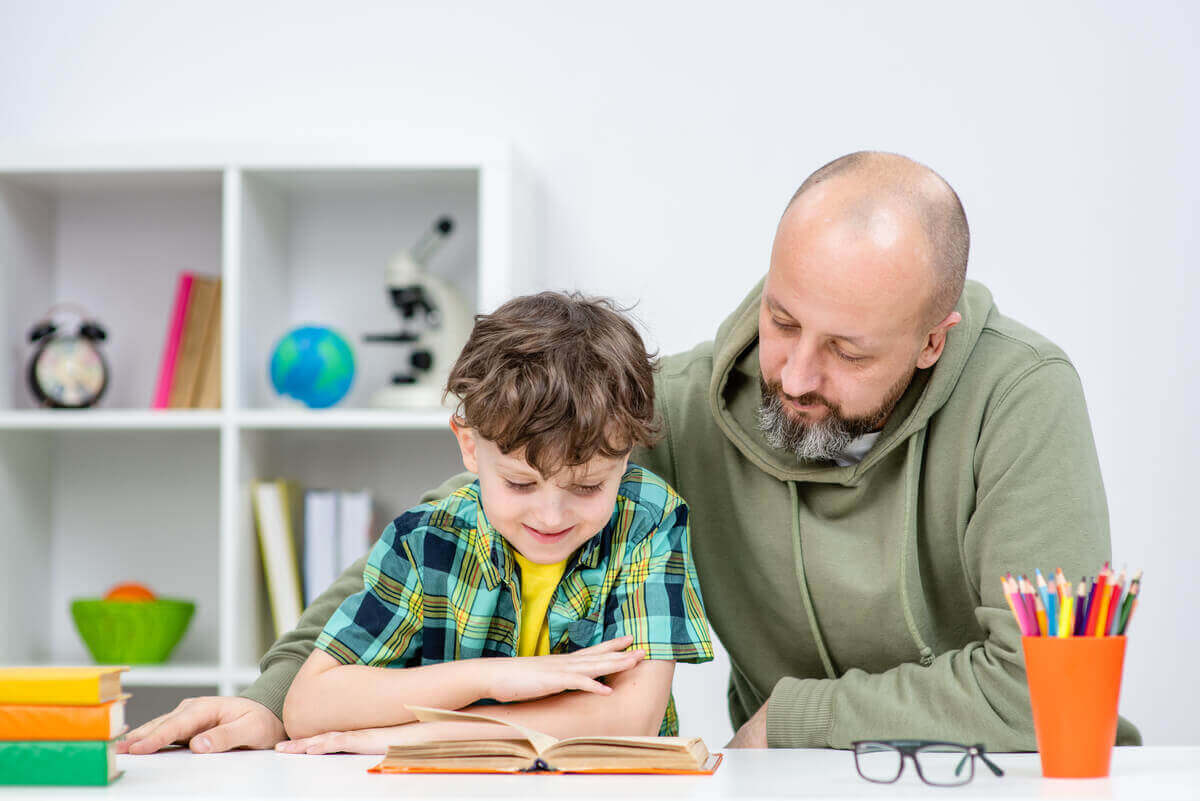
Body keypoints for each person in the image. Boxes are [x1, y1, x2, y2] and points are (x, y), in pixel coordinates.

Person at [120, 151, 1138, 755]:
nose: (792, 371)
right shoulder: (692, 404)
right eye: (784, 319)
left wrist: (795, 717)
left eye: (846, 350)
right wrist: (267, 701)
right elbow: (451, 519)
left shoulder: (1021, 397)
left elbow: (1045, 690)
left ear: (933, 339)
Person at [279, 291, 710, 754]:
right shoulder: (426, 541)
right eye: (520, 484)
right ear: (468, 446)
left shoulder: (646, 518)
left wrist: (422, 733)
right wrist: (497, 678)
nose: (550, 516)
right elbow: (309, 707)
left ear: (625, 454)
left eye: (586, 488)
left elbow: (632, 719)